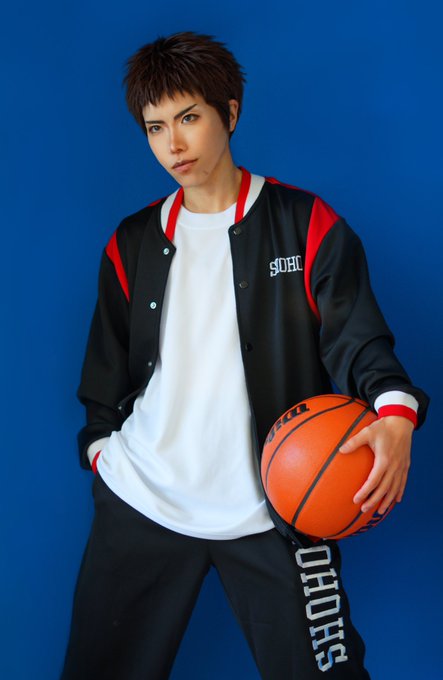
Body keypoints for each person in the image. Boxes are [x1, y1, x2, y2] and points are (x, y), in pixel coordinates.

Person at [61, 31, 429, 679]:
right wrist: (101, 450)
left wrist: (396, 414)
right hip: (144, 497)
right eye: (155, 128)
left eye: (189, 118)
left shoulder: (307, 223)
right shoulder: (133, 242)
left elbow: (359, 340)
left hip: (278, 508)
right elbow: (106, 370)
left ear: (229, 113)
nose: (173, 144)